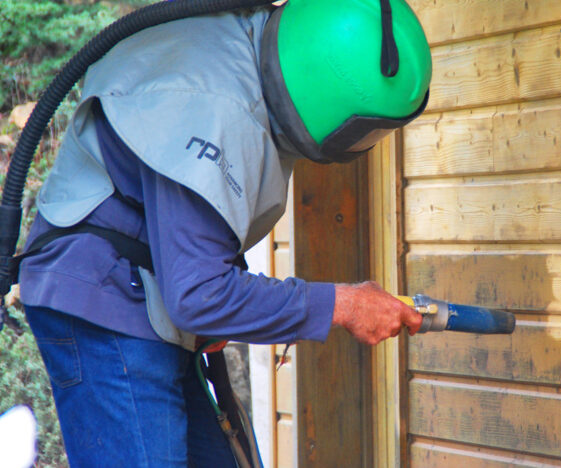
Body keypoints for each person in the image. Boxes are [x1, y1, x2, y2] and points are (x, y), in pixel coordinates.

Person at [17, 0, 432, 466]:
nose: (361, 146)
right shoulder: (217, 107)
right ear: (321, 86)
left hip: (148, 295)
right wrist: (345, 304)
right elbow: (198, 296)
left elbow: (190, 225)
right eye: (364, 133)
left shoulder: (243, 53)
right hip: (105, 300)